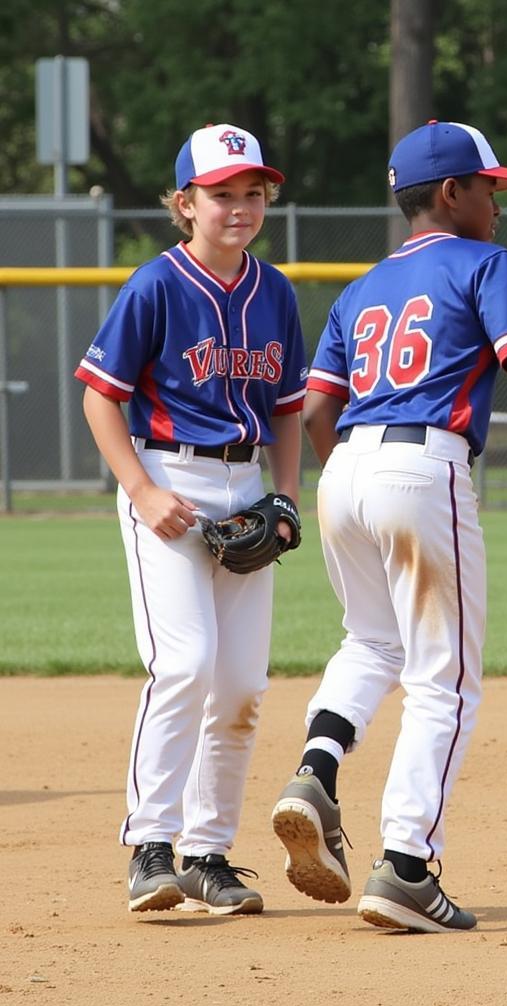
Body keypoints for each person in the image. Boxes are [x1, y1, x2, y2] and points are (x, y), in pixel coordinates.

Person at [270, 119, 507, 932]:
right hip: (422, 465)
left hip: (346, 466)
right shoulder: (485, 262)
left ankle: (315, 768)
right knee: (445, 679)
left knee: (371, 642)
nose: (499, 205)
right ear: (452, 193)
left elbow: (318, 409)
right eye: (490, 188)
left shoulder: (358, 289)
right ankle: (407, 868)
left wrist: (354, 490)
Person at [75, 123, 307, 914]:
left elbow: (285, 409)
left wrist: (284, 499)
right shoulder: (155, 286)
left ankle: (209, 855)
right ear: (185, 204)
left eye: (252, 193)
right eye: (220, 194)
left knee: (241, 684)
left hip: (247, 489)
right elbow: (99, 397)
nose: (239, 207)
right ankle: (150, 845)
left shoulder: (274, 291)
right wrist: (142, 492)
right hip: (168, 480)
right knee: (186, 663)